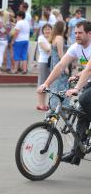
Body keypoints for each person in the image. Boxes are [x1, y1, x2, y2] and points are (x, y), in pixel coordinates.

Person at [37, 21, 91, 165]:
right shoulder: (76, 47)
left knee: (84, 99)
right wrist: (46, 83)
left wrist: (77, 88)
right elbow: (60, 65)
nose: (76, 35)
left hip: (88, 82)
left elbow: (89, 70)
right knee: (81, 114)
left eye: (80, 33)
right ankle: (76, 154)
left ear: (89, 34)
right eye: (75, 32)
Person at [48, 21, 69, 109]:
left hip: (54, 64)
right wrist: (66, 67)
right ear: (61, 27)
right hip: (59, 65)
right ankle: (61, 106)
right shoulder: (60, 38)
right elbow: (61, 54)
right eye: (64, 26)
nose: (65, 27)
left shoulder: (53, 37)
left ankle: (53, 105)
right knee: (61, 86)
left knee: (54, 86)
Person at [35, 23, 52, 111]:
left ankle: (43, 104)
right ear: (43, 30)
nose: (47, 31)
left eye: (49, 29)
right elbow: (47, 49)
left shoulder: (51, 38)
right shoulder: (41, 38)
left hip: (49, 62)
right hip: (43, 62)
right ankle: (40, 104)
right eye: (45, 29)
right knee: (42, 83)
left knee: (46, 84)